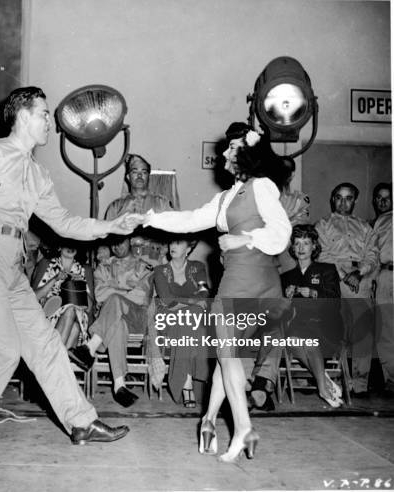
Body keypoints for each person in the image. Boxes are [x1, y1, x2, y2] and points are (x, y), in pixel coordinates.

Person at [0, 86, 138, 450]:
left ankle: (81, 423)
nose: (49, 122)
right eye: (44, 114)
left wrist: (109, 227)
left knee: (46, 344)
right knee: (3, 351)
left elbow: (63, 222)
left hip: (12, 262)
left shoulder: (39, 175)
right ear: (23, 116)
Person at [133, 123, 291, 462]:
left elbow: (282, 232)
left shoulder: (261, 186)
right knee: (227, 356)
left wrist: (245, 239)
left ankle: (244, 427)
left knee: (227, 352)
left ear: (248, 152)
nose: (224, 153)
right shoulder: (226, 198)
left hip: (245, 278)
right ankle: (207, 422)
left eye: (233, 147)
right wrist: (149, 218)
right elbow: (190, 219)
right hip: (257, 283)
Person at [68, 236, 153, 407]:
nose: (117, 245)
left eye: (121, 240)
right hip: (113, 320)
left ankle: (90, 348)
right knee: (117, 323)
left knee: (114, 299)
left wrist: (114, 291)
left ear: (129, 241)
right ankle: (119, 385)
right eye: (113, 242)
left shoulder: (143, 266)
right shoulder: (103, 267)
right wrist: (127, 289)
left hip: (137, 318)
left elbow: (142, 296)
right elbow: (99, 295)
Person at [315, 183, 379, 398]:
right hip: (335, 279)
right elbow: (323, 255)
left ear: (355, 200)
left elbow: (372, 254)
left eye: (348, 198)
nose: (343, 203)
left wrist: (359, 272)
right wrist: (343, 275)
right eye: (339, 198)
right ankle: (334, 383)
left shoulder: (364, 227)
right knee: (334, 332)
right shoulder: (322, 225)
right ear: (333, 199)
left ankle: (360, 385)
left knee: (363, 332)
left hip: (359, 280)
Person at [281, 224, 344, 407]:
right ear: (292, 247)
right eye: (297, 243)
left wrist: (314, 293)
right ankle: (322, 378)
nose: (301, 248)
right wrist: (286, 297)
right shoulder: (286, 277)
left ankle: (323, 389)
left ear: (314, 246)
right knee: (291, 337)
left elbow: (335, 302)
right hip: (298, 327)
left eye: (306, 243)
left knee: (305, 336)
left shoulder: (327, 270)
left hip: (326, 326)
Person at [153, 235, 210, 407]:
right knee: (193, 317)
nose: (173, 246)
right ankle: (189, 383)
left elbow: (204, 293)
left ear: (189, 248)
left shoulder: (198, 267)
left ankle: (186, 381)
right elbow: (167, 299)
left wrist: (185, 303)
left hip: (190, 320)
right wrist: (192, 301)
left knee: (191, 320)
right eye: (171, 242)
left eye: (178, 242)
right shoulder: (160, 270)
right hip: (167, 318)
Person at [105, 154, 173, 265]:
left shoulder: (162, 203)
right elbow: (108, 239)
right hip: (125, 268)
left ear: (148, 176)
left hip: (155, 265)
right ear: (128, 177)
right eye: (135, 172)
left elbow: (174, 233)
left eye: (144, 172)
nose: (140, 176)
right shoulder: (115, 206)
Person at [31, 240, 95, 349]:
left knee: (75, 322)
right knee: (74, 326)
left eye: (74, 243)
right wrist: (55, 279)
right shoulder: (46, 264)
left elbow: (89, 309)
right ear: (60, 247)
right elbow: (32, 298)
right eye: (67, 243)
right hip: (48, 316)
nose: (71, 247)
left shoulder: (84, 270)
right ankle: (59, 359)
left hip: (77, 319)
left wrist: (80, 286)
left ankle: (54, 359)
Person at [369, 193, 394, 396]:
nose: (383, 202)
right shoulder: (380, 221)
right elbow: (373, 253)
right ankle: (391, 380)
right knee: (385, 329)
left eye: (387, 197)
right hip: (387, 274)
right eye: (378, 198)